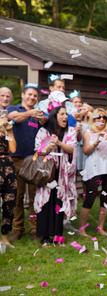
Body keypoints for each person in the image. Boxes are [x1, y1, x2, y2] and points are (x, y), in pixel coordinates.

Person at [33, 104, 77, 245]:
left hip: (62, 173)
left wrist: (58, 143)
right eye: (62, 114)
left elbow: (71, 149)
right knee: (46, 202)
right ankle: (45, 236)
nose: (65, 117)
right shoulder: (43, 131)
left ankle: (58, 235)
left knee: (59, 202)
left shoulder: (70, 131)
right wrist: (48, 148)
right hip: (48, 172)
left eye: (66, 114)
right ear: (54, 116)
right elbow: (37, 151)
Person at [7, 84, 46, 241]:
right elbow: (13, 118)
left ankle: (35, 229)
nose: (32, 97)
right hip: (16, 159)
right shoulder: (14, 109)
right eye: (29, 94)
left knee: (34, 197)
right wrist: (30, 113)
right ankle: (17, 229)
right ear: (23, 95)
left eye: (35, 96)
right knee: (17, 196)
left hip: (33, 160)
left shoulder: (37, 115)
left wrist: (43, 120)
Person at [78, 108, 107, 237]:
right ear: (93, 119)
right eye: (98, 117)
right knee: (90, 198)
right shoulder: (88, 133)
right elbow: (86, 151)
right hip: (94, 170)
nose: (101, 119)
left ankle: (100, 227)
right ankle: (82, 229)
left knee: (106, 198)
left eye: (104, 117)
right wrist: (96, 142)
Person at [0, 110, 16, 248]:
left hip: (8, 169)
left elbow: (13, 149)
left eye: (5, 116)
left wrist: (9, 132)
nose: (4, 118)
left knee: (9, 203)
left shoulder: (7, 132)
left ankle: (4, 237)